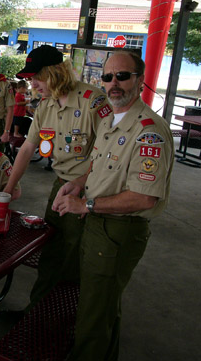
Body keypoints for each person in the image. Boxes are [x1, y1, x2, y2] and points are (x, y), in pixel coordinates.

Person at [52, 51, 174, 360]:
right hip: (99, 226)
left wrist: (86, 205)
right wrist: (79, 182)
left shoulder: (149, 131)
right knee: (103, 307)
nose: (114, 83)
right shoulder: (110, 119)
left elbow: (144, 196)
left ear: (140, 80)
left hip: (119, 230)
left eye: (122, 76)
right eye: (107, 77)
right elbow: (97, 164)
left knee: (93, 317)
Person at [2, 45, 111, 313]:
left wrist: (83, 182)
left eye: (36, 77)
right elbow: (28, 148)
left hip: (90, 191)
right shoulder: (45, 105)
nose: (32, 84)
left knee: (73, 258)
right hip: (61, 185)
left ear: (54, 72)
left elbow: (111, 152)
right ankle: (37, 313)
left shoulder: (92, 101)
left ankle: (62, 319)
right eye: (29, 79)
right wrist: (7, 188)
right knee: (51, 250)